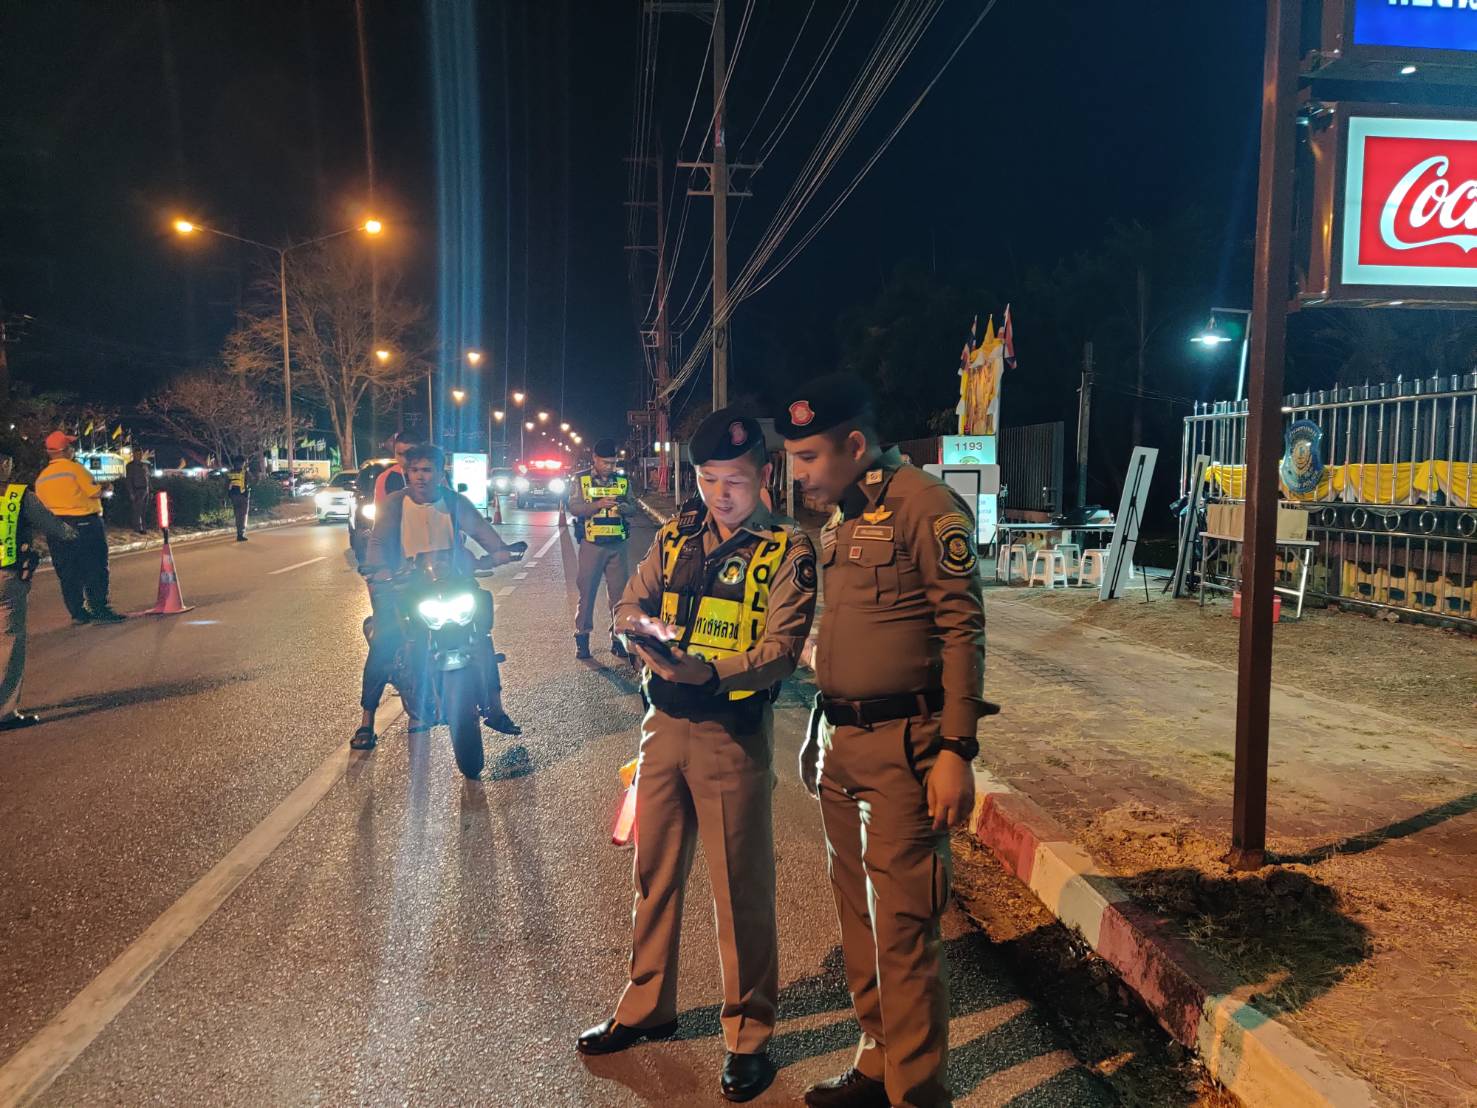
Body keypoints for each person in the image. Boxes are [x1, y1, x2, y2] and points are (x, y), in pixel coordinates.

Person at [576, 409, 818, 1105]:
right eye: (709, 479)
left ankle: (748, 1035)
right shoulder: (677, 535)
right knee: (653, 876)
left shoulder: (787, 549)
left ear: (763, 475)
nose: (720, 494)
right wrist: (637, 630)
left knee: (740, 890)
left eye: (734, 480)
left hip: (729, 734)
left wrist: (709, 674)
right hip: (662, 726)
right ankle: (646, 1005)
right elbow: (629, 600)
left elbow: (781, 650)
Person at [776, 375, 987, 1108]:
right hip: (842, 740)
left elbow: (962, 630)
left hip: (907, 747)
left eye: (807, 457)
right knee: (859, 920)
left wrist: (956, 750)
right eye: (792, 458)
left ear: (855, 445)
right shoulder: (840, 517)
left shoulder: (927, 506)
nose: (797, 473)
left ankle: (916, 1093)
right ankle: (876, 1061)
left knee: (902, 927)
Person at [354, 443, 522, 750]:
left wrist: (498, 551)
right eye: (415, 470)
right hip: (407, 584)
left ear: (440, 473)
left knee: (481, 634)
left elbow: (480, 529)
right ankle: (367, 721)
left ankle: (496, 709)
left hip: (453, 581)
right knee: (384, 643)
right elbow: (377, 541)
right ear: (407, 473)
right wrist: (378, 570)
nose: (421, 477)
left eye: (427, 470)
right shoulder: (394, 504)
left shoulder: (454, 502)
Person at [0, 455, 76, 730]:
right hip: (7, 576)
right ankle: (4, 712)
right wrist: (74, 534)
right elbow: (53, 526)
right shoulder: (17, 496)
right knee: (9, 641)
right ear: (4, 465)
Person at [35, 431, 124, 624]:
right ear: (65, 450)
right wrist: (107, 487)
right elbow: (95, 491)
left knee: (68, 571)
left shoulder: (42, 477)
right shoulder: (74, 469)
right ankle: (99, 608)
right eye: (70, 446)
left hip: (56, 527)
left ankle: (78, 612)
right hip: (84, 524)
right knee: (95, 566)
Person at [567, 438, 636, 660]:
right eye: (606, 462)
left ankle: (618, 640)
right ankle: (582, 638)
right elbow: (574, 507)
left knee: (619, 597)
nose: (610, 466)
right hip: (592, 545)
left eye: (613, 463)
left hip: (617, 546)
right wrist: (597, 505)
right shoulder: (581, 480)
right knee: (587, 594)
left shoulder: (622, 481)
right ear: (595, 459)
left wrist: (623, 507)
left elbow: (633, 507)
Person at [124, 451, 151, 534]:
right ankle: (137, 528)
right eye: (137, 454)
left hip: (145, 489)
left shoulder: (144, 465)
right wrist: (131, 492)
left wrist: (150, 489)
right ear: (134, 455)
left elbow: (148, 478)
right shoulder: (130, 466)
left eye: (140, 454)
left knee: (144, 510)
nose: (139, 456)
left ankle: (144, 527)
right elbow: (129, 480)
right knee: (137, 510)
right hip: (137, 490)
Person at [227, 464, 251, 542]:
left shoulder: (231, 472)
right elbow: (252, 481)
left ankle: (238, 532)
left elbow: (227, 484)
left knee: (237, 515)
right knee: (243, 516)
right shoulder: (244, 472)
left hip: (233, 496)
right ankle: (241, 534)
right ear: (242, 463)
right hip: (243, 496)